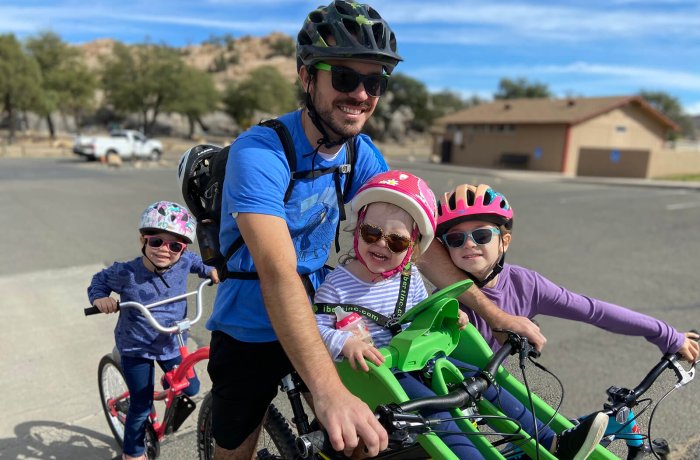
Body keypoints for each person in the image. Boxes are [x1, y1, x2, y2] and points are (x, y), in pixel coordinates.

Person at [204, 1, 543, 457]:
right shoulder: (261, 152)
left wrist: (495, 315)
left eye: (374, 81)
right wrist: (327, 392)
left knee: (374, 441)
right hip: (251, 325)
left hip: (328, 312)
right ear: (307, 77)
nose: (361, 94)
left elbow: (412, 237)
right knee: (235, 448)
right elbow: (278, 272)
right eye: (345, 78)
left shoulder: (357, 152)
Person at [314, 171, 608, 460]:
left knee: (484, 382)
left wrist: (443, 318)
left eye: (397, 242)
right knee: (439, 411)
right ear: (357, 230)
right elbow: (315, 328)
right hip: (382, 374)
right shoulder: (338, 285)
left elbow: (420, 314)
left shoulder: (408, 276)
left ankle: (552, 440)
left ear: (412, 247)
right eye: (371, 233)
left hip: (420, 358)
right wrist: (344, 343)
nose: (381, 244)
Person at [434, 183, 700, 364]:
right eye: (456, 239)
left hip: (491, 391)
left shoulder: (525, 285)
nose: (468, 244)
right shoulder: (443, 296)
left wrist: (665, 333)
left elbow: (594, 311)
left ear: (504, 241)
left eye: (481, 235)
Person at [88, 201, 219, 460]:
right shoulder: (126, 273)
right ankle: (132, 452)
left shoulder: (183, 261)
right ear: (143, 239)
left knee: (191, 388)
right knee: (141, 405)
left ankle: (164, 384)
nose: (164, 250)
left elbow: (198, 263)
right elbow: (99, 282)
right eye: (156, 241)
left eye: (175, 245)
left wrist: (211, 271)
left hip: (170, 341)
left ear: (182, 249)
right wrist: (100, 298)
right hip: (137, 347)